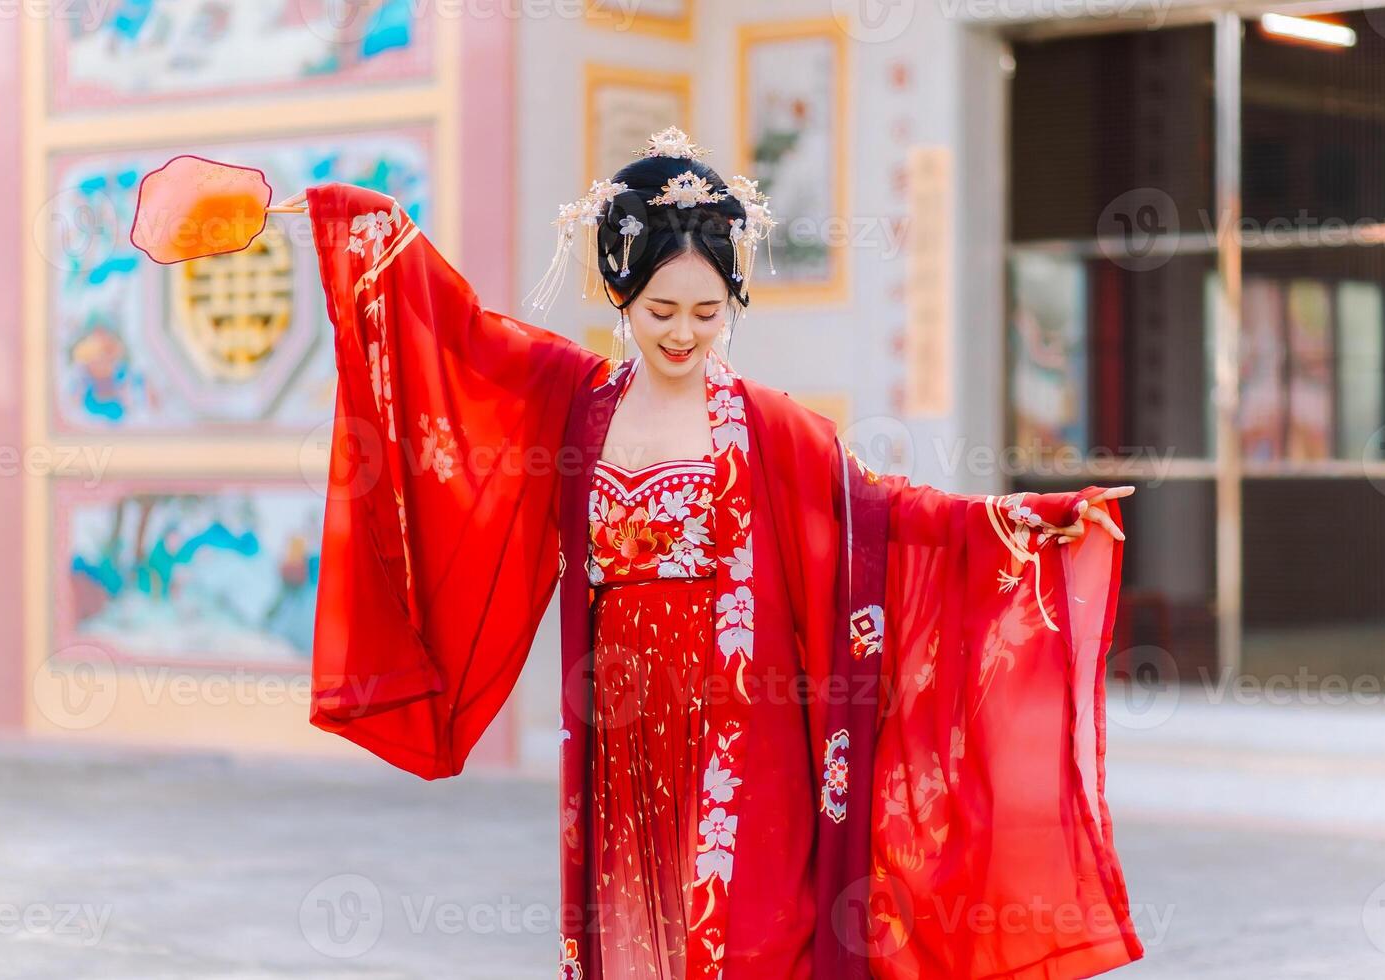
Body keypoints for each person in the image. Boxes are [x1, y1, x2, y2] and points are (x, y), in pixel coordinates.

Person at [302, 127, 1142, 979]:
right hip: (617, 731)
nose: (683, 335)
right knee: (631, 928)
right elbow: (458, 339)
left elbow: (883, 514)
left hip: (744, 730)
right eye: (660, 312)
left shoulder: (768, 426)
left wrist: (1028, 517)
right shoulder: (577, 402)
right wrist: (355, 227)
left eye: (708, 314)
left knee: (750, 940)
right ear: (620, 296)